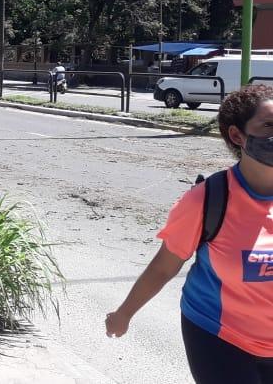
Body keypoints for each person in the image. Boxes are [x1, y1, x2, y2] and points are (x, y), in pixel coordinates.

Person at [105, 85, 273, 383]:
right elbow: (164, 266)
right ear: (237, 136)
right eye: (269, 125)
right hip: (220, 337)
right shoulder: (208, 199)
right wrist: (124, 314)